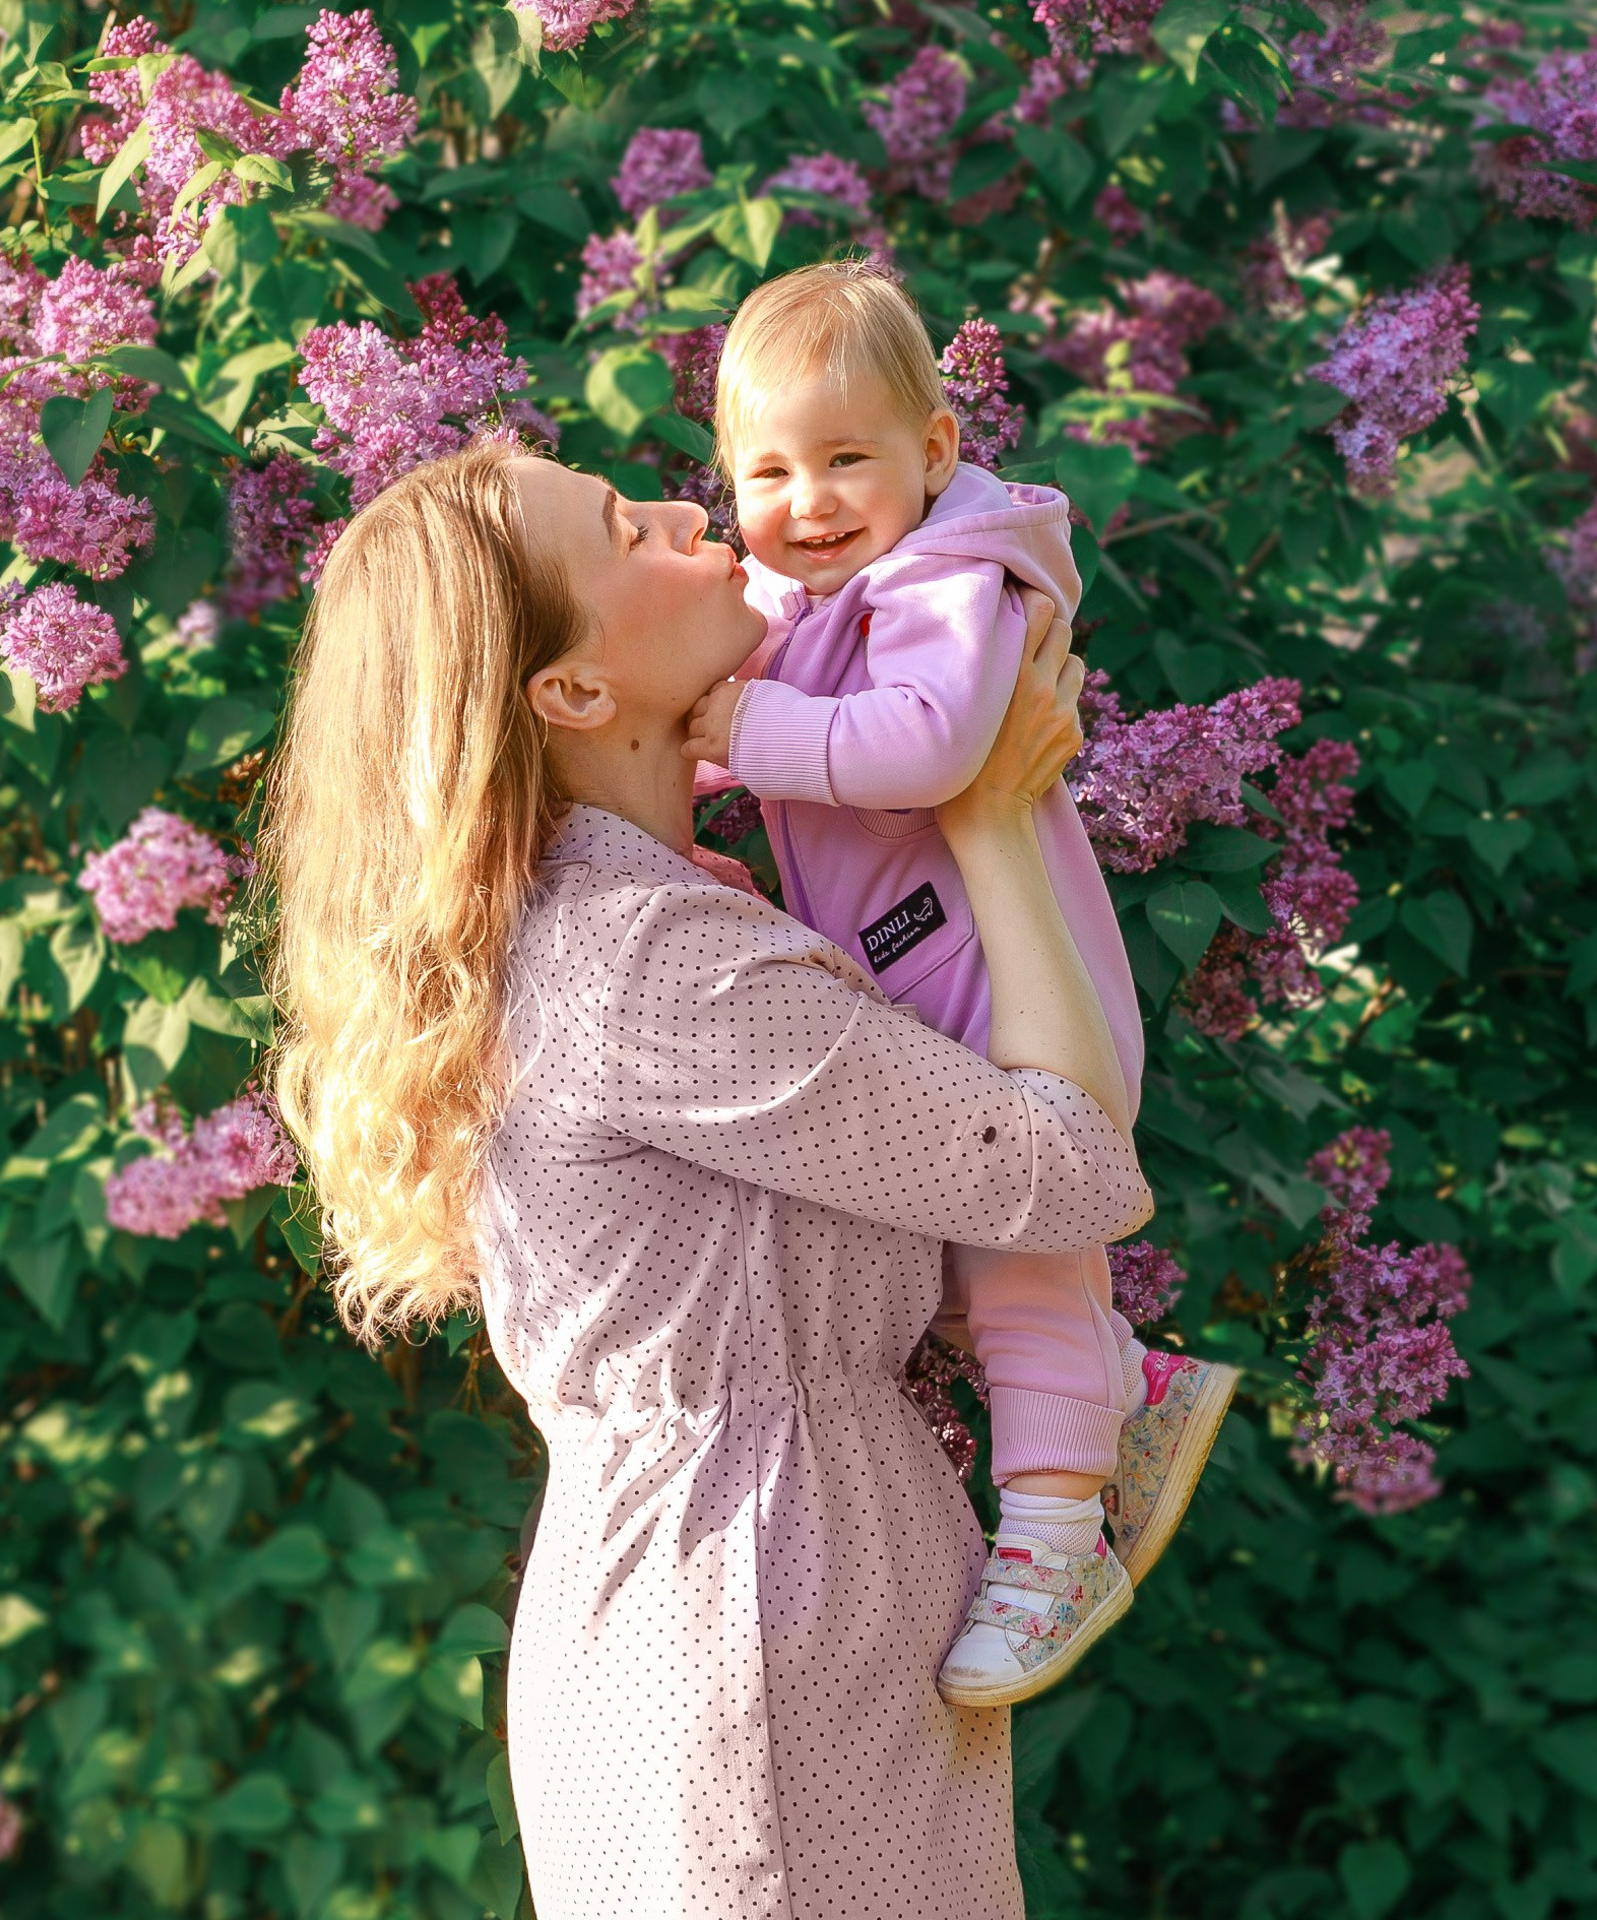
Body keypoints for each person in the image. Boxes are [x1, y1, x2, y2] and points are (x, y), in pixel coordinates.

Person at [261, 437, 1152, 1919]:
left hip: (751, 1609)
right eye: (625, 528)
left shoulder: (647, 921)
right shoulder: (655, 965)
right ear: (574, 693)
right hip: (756, 1635)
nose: (688, 510)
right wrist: (994, 818)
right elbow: (1065, 1174)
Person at [683, 261, 1237, 1702]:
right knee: (947, 1271)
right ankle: (1124, 1387)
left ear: (934, 452)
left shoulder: (946, 581)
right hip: (917, 986)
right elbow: (728, 722)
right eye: (767, 471)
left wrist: (740, 723)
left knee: (1017, 1264)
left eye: (846, 458)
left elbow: (926, 750)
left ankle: (1056, 1535)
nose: (806, 501)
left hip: (1006, 989)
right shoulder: (814, 589)